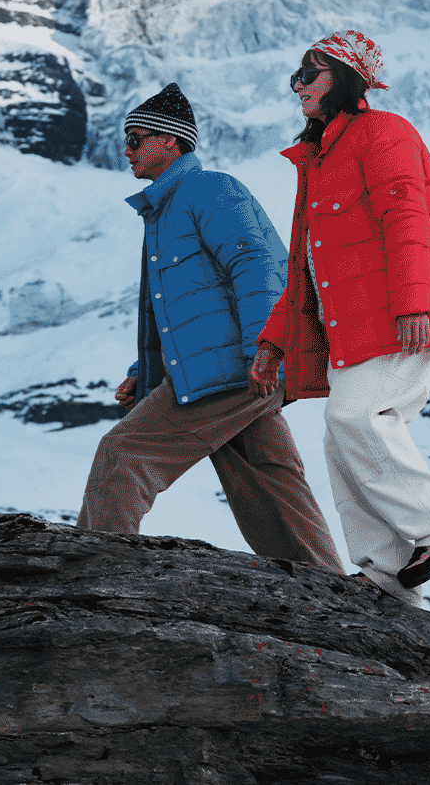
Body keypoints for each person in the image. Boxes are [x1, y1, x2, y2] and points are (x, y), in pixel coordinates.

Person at [249, 31, 430, 606]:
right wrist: (274, 342)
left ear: (344, 76)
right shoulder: (320, 158)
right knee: (342, 437)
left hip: (397, 317)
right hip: (351, 328)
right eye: (296, 76)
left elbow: (407, 216)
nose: (298, 85)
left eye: (309, 73)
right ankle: (385, 571)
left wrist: (415, 303)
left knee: (357, 417)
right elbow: (304, 269)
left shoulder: (384, 132)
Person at [77, 83, 345, 573]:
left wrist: (265, 347)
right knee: (271, 483)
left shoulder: (210, 190)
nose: (127, 149)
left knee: (123, 455)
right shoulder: (163, 211)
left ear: (172, 142)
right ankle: (329, 590)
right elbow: (177, 310)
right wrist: (146, 368)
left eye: (137, 138)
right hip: (239, 366)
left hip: (235, 367)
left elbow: (257, 267)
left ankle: (97, 576)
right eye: (127, 140)